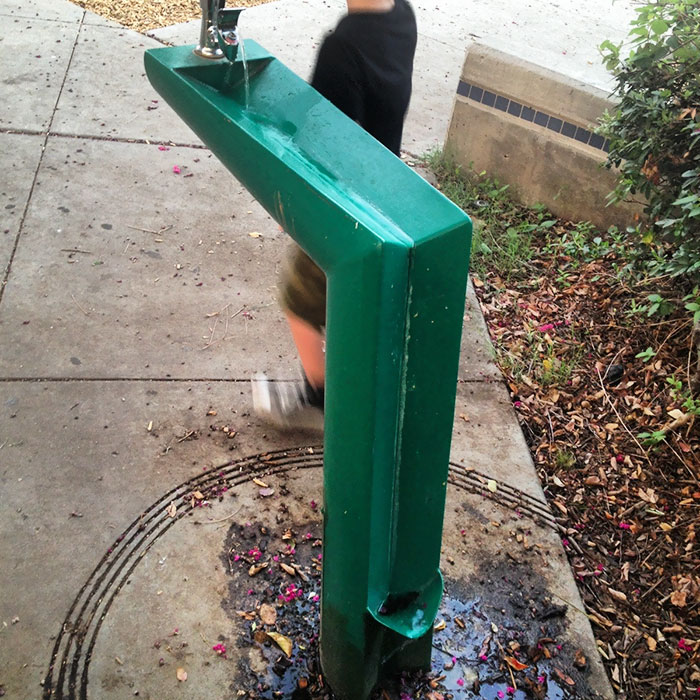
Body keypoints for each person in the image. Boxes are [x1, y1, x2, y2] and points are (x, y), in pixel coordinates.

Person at [252, 0, 417, 429]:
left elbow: (324, 144)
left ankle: (318, 400)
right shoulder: (402, 16)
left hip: (344, 205)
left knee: (300, 297)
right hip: (385, 189)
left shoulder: (342, 47)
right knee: (348, 303)